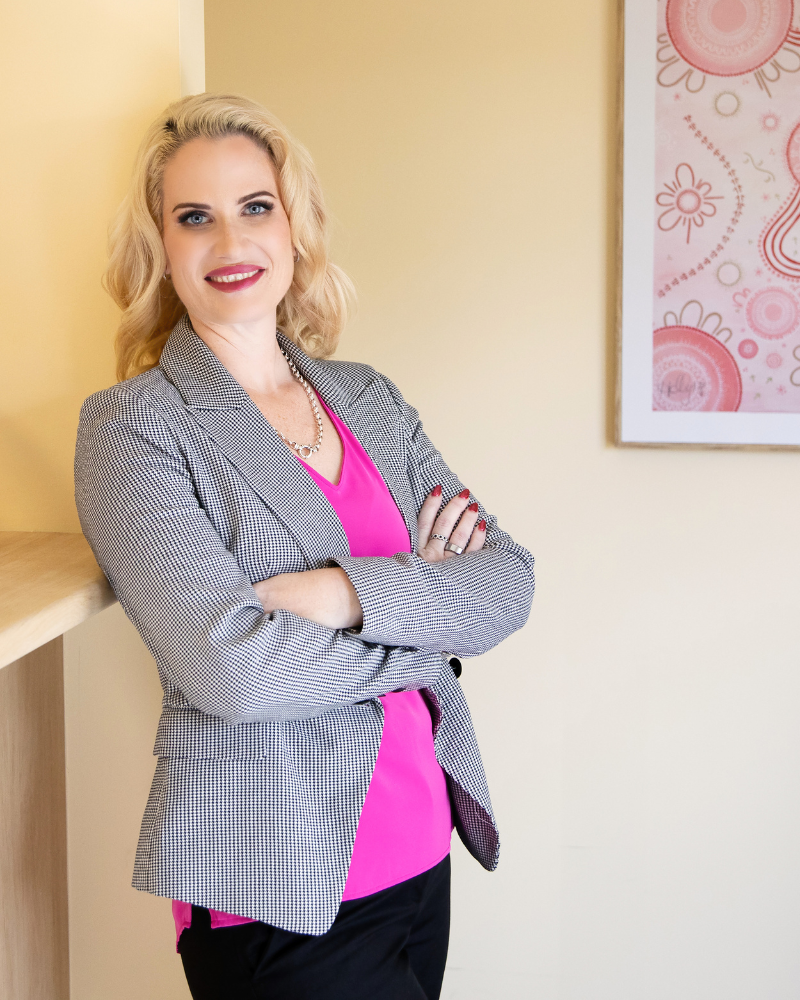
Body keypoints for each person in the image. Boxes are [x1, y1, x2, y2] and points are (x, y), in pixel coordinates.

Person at [74, 92, 534, 1000]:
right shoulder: (134, 427)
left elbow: (507, 583)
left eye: (256, 207)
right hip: (273, 883)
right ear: (161, 249)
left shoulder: (368, 400)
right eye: (193, 217)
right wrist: (427, 627)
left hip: (419, 847)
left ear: (295, 226)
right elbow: (236, 674)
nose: (230, 242)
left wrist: (338, 594)